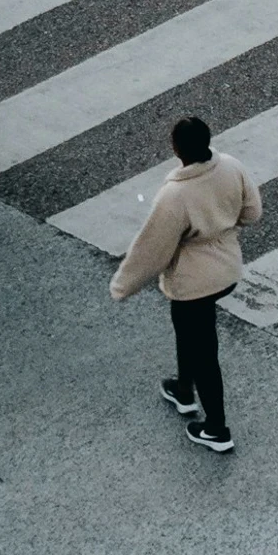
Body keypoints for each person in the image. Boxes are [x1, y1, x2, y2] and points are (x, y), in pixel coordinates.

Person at [110, 117, 262, 453]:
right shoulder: (231, 167)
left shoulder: (175, 195)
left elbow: (151, 250)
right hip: (227, 269)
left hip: (194, 282)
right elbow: (252, 213)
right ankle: (182, 389)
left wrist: (122, 285)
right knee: (189, 331)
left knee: (203, 350)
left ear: (176, 149)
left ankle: (217, 429)